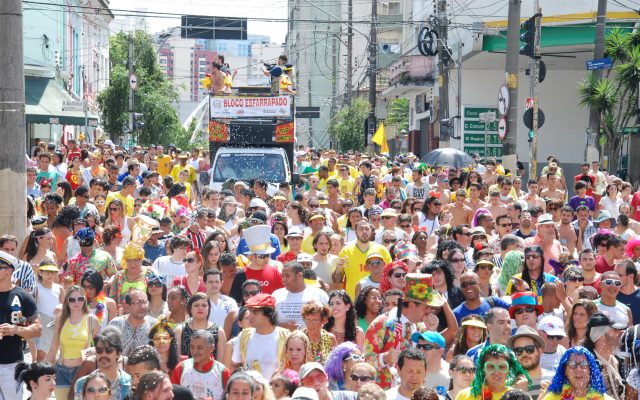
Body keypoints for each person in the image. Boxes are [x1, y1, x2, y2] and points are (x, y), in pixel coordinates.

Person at [364, 273, 445, 389]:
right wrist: (385, 357)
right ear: (412, 305)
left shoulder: (422, 327)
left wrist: (431, 332)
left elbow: (432, 361)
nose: (429, 312)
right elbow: (365, 363)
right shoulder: (381, 324)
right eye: (426, 307)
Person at [231, 293, 290, 380]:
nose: (250, 316)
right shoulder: (244, 335)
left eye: (255, 312)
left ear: (268, 314)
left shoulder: (286, 336)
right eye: (250, 311)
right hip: (250, 391)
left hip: (275, 391)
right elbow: (235, 365)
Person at [333, 220, 391, 299]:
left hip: (378, 301)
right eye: (361, 229)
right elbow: (337, 281)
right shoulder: (345, 251)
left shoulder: (382, 250)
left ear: (371, 231)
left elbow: (390, 275)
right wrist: (339, 269)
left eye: (367, 229)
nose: (364, 232)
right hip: (353, 301)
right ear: (355, 231)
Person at [73, 327, 132, 400]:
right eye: (99, 350)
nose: (103, 355)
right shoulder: (82, 383)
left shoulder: (129, 383)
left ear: (118, 353)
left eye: (109, 350)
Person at [170, 329, 230, 400]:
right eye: (192, 347)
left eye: (200, 348)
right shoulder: (181, 368)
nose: (195, 351)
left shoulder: (223, 372)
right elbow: (171, 395)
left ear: (211, 348)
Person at [455, 344, 531, 400]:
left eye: (502, 367)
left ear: (509, 370)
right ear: (483, 369)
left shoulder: (519, 397)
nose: (496, 372)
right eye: (491, 366)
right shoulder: (465, 395)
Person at [124, 345, 194, 400]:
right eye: (132, 376)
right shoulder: (130, 398)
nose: (133, 382)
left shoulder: (182, 395)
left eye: (138, 376)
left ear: (155, 371)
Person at [274, 262, 329, 329]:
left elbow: (330, 318)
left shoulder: (319, 294)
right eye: (283, 276)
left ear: (299, 275)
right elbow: (268, 320)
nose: (284, 280)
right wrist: (283, 326)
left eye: (287, 276)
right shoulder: (276, 295)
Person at [583, 313, 625, 399]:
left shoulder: (618, 361)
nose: (621, 332)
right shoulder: (584, 364)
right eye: (615, 329)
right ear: (601, 335)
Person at [541, 347, 610, 400]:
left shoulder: (603, 398)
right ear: (565, 370)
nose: (578, 369)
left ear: (591, 370)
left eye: (584, 364)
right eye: (572, 364)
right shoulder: (553, 397)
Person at [175, 292, 226, 361]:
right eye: (196, 305)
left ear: (209, 308)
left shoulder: (219, 332)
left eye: (204, 305)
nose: (200, 308)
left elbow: (221, 364)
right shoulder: (180, 330)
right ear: (190, 308)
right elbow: (177, 360)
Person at [506, 325, 554, 398]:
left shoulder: (554, 380)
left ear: (540, 351)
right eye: (518, 351)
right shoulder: (509, 384)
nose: (524, 353)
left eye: (529, 349)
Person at [108, 289, 157, 356]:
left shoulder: (155, 325)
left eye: (145, 302)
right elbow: (106, 348)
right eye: (138, 303)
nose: (142, 307)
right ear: (128, 306)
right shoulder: (116, 324)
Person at [34, 261, 63, 361]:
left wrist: (61, 306)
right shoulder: (36, 288)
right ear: (40, 273)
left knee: (54, 351)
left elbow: (65, 303)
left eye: (53, 272)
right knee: (42, 352)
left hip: (56, 322)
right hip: (42, 321)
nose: (50, 275)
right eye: (47, 272)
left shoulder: (59, 288)